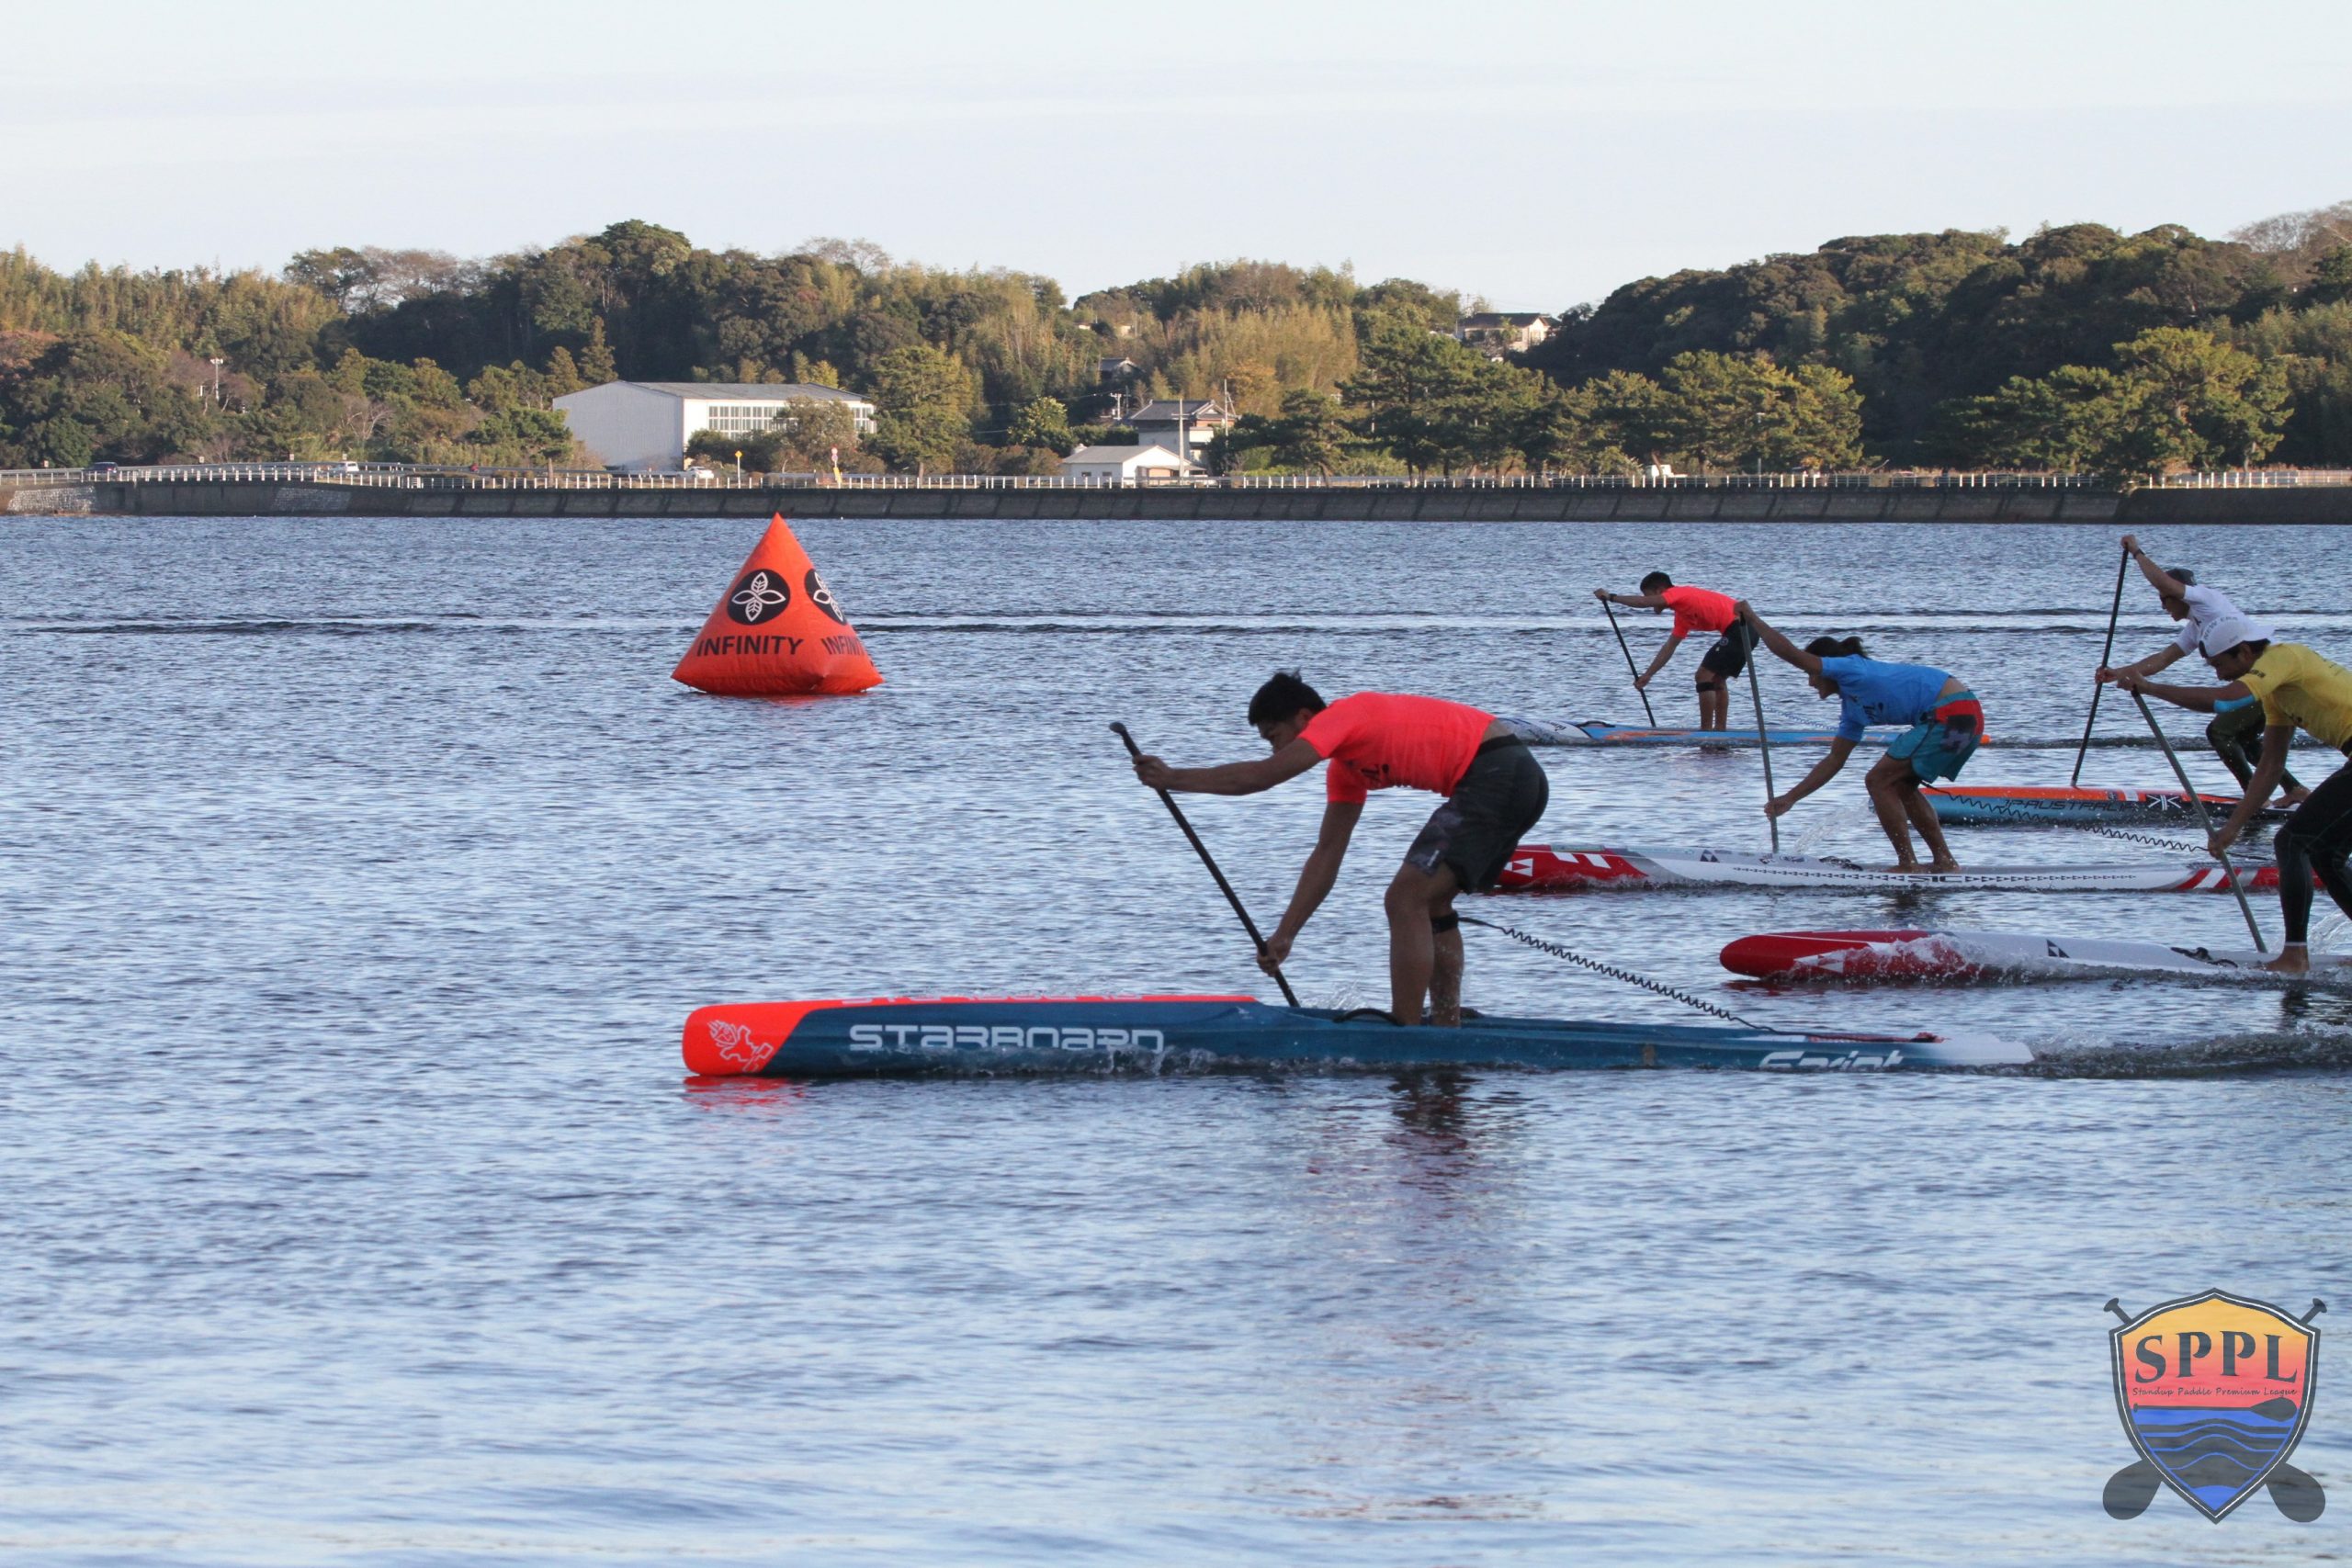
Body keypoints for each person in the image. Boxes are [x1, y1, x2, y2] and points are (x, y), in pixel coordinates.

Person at [1130, 671, 1549, 1027]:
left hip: (1499, 771)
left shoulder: (1346, 714)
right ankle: (1444, 1024)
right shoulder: (1346, 769)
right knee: (1431, 903)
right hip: (1512, 778)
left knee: (1405, 898)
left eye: (1274, 735)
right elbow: (1327, 854)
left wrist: (1174, 778)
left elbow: (1261, 777)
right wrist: (1285, 934)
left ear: (1305, 717)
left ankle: (1404, 1031)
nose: (1276, 748)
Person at [2117, 617, 2352, 976]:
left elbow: (2224, 702)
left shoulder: (2283, 657)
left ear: (2244, 652)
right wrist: (2233, 827)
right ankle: (2296, 954)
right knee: (2324, 852)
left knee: (2292, 842)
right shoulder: (2277, 691)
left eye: (2219, 665)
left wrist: (2149, 687)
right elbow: (2270, 766)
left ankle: (2294, 957)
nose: (2218, 675)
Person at [1736, 604, 1984, 872]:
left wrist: (1752, 618)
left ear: (1826, 668)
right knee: (1900, 785)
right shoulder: (1853, 711)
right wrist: (1791, 798)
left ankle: (1907, 863)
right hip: (1963, 719)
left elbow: (1793, 656)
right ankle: (1943, 861)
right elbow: (1834, 760)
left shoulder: (1851, 668)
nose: (1810, 682)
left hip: (1955, 712)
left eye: (1812, 674)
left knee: (1878, 780)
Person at [2096, 533, 2306, 806]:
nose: (2163, 605)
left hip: (2271, 678)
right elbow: (2163, 658)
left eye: (2165, 598)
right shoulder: (2196, 626)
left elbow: (2163, 582)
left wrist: (2137, 552)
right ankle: (2294, 790)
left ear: (2178, 592)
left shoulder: (2206, 600)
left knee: (2220, 733)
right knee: (2243, 738)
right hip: (2259, 684)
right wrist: (2119, 672)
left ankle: (2255, 800)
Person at [1593, 572, 1754, 729]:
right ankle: (1719, 731)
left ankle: (1706, 731)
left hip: (1742, 628)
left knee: (1703, 676)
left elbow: (1643, 603)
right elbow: (1669, 648)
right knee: (1717, 679)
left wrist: (1611, 597)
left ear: (1659, 590)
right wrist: (1648, 675)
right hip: (1744, 630)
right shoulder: (1682, 616)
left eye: (1648, 595)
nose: (1650, 602)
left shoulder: (1677, 593)